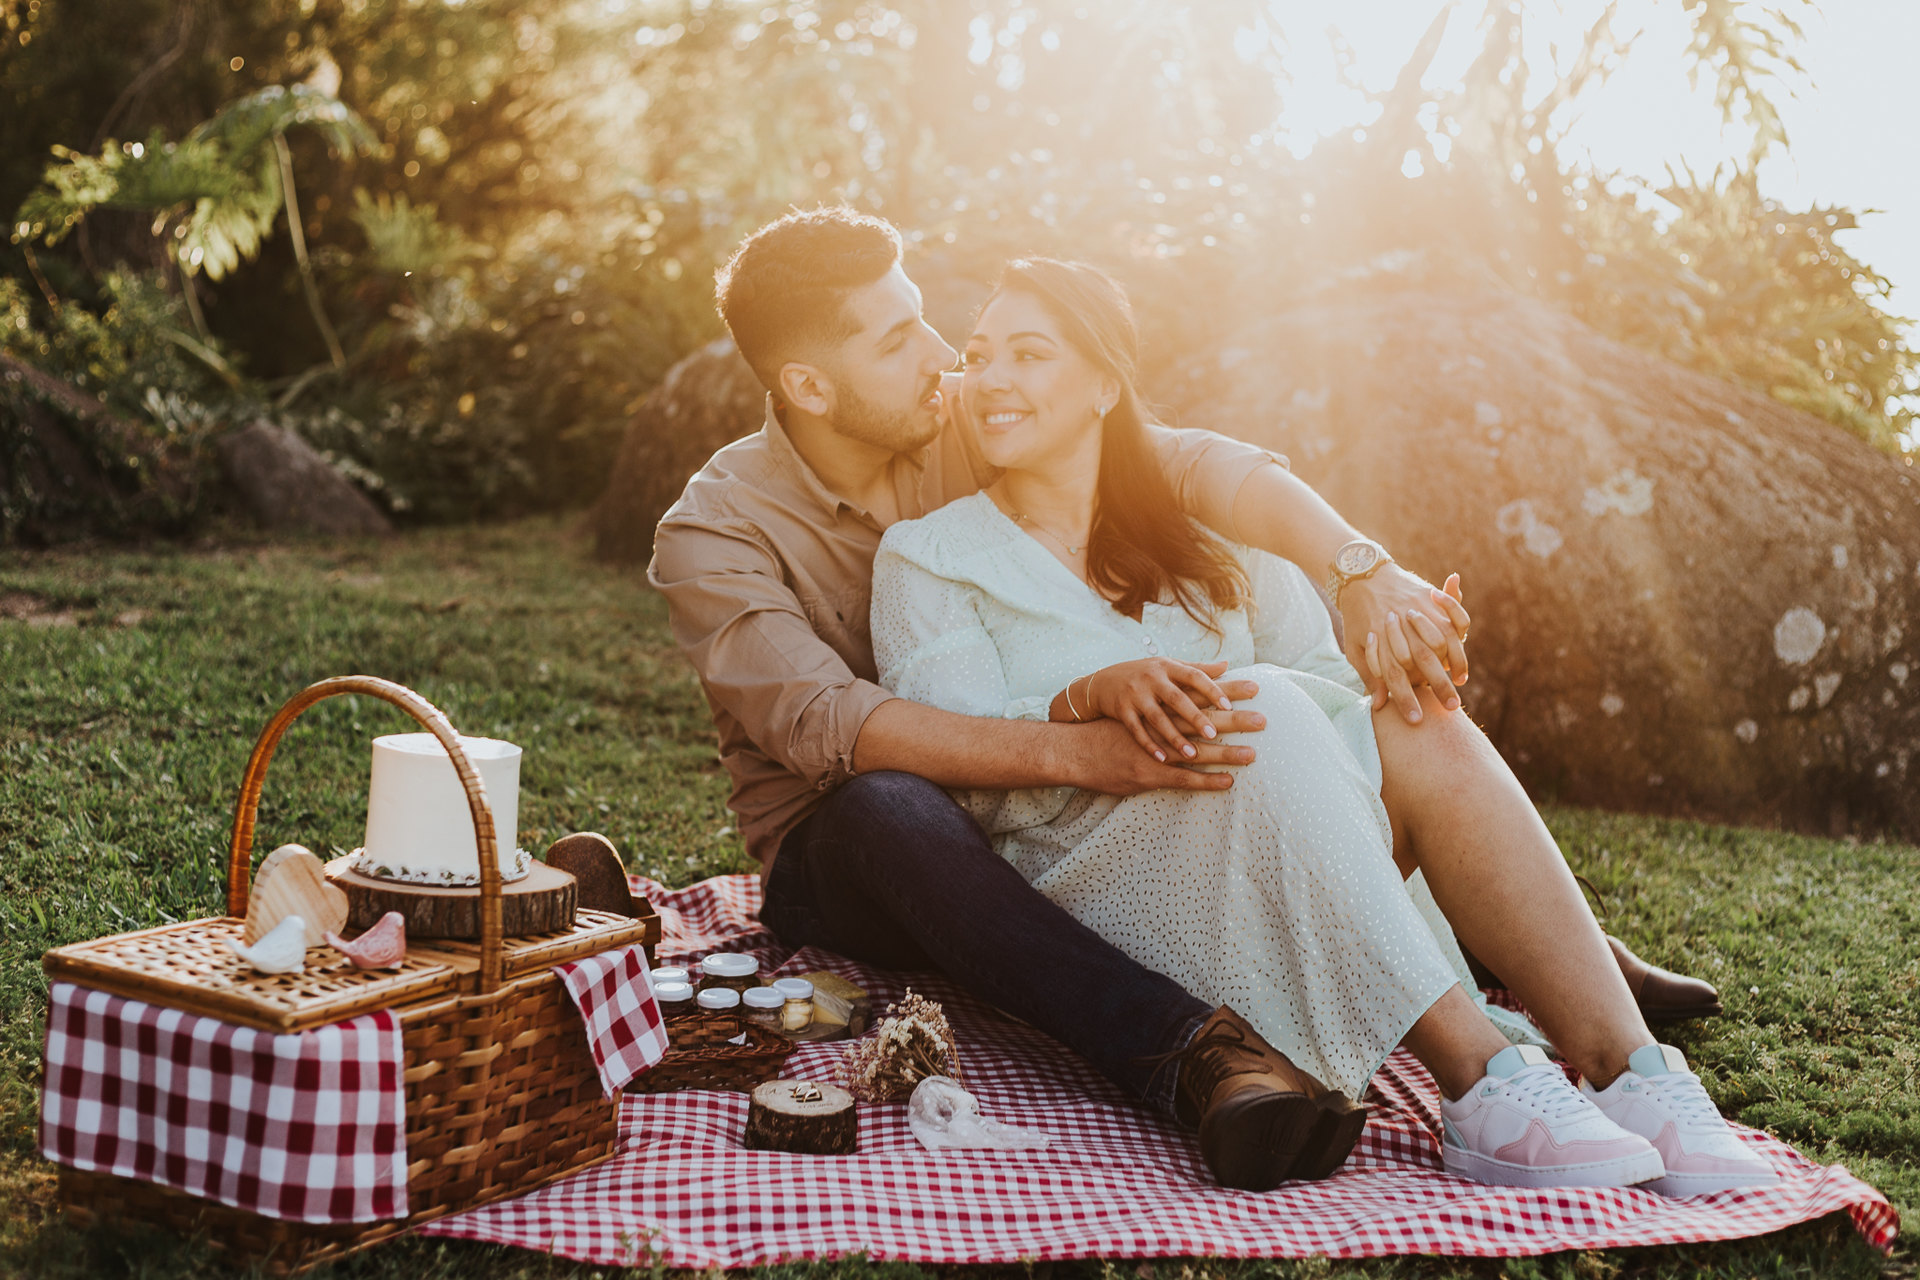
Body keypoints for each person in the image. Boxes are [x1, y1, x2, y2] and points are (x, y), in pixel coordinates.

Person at [649, 206, 1719, 1190]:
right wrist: (1085, 744)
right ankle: (1192, 1050)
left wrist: (1358, 570)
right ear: (809, 388)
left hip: (1059, 773)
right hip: (858, 846)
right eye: (896, 340)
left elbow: (1184, 465)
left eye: (929, 322)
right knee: (893, 804)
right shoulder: (715, 532)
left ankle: (1554, 971)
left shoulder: (965, 413)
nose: (944, 358)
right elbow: (831, 727)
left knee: (1331, 718)